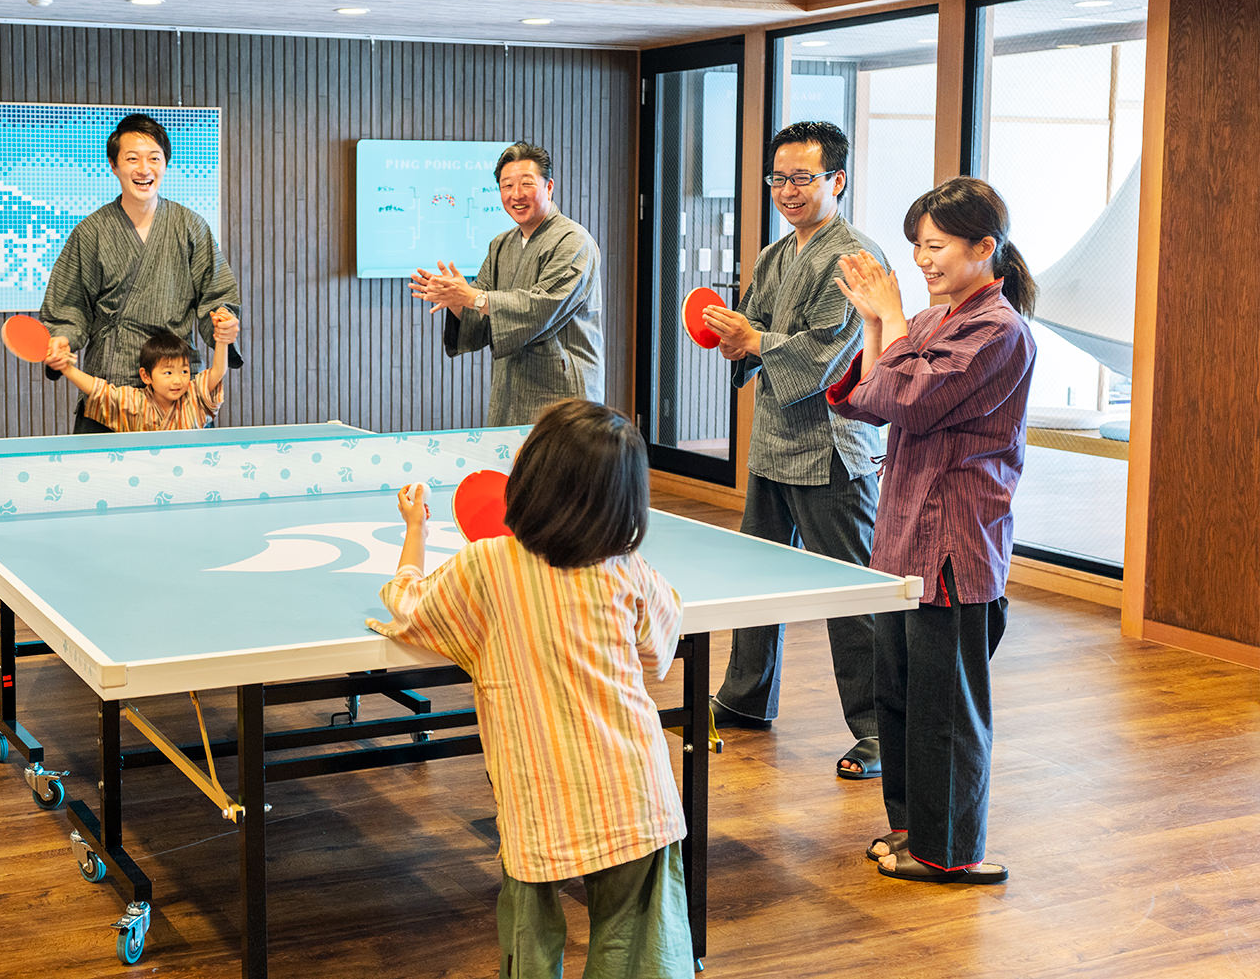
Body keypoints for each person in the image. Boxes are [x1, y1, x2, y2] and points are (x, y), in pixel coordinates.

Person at [368, 400, 695, 978]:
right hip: (635, 797)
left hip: (538, 796)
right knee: (639, 959)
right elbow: (658, 651)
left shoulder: (488, 564)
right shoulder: (627, 568)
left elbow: (410, 609)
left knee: (530, 952)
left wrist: (414, 533)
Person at [828, 176, 1035, 885]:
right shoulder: (935, 320)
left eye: (937, 245)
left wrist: (891, 318)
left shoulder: (998, 328)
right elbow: (866, 401)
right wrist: (878, 324)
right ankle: (912, 829)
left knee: (945, 709)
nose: (922, 258)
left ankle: (950, 851)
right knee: (901, 696)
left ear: (985, 247)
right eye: (918, 244)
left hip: (954, 544)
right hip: (903, 537)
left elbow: (910, 399)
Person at [701, 121, 887, 781]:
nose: (788, 190)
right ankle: (748, 694)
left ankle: (877, 730)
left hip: (833, 447)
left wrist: (754, 341)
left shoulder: (856, 258)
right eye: (779, 178)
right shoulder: (776, 254)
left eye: (803, 177)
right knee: (754, 578)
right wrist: (732, 339)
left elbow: (819, 355)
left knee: (851, 592)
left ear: (837, 180)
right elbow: (752, 331)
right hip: (774, 442)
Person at [38, 112, 242, 432]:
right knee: (103, 481)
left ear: (165, 164)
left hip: (176, 392)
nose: (144, 169)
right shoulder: (90, 232)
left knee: (185, 481)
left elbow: (216, 296)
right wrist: (61, 340)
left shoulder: (190, 227)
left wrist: (223, 322)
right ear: (114, 165)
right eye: (132, 158)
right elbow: (69, 307)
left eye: (154, 158)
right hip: (111, 390)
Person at [409, 142, 604, 427]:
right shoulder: (501, 245)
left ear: (549, 187)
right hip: (511, 390)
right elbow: (481, 317)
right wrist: (457, 301)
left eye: (526, 184)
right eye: (506, 185)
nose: (516, 195)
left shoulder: (573, 241)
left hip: (562, 397)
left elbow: (542, 307)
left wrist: (473, 297)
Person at [48, 312, 238, 433]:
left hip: (189, 472)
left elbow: (218, 371)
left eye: (185, 371)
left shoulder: (194, 396)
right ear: (146, 376)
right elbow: (98, 389)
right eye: (168, 373)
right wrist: (67, 368)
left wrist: (222, 339)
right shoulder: (135, 402)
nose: (178, 380)